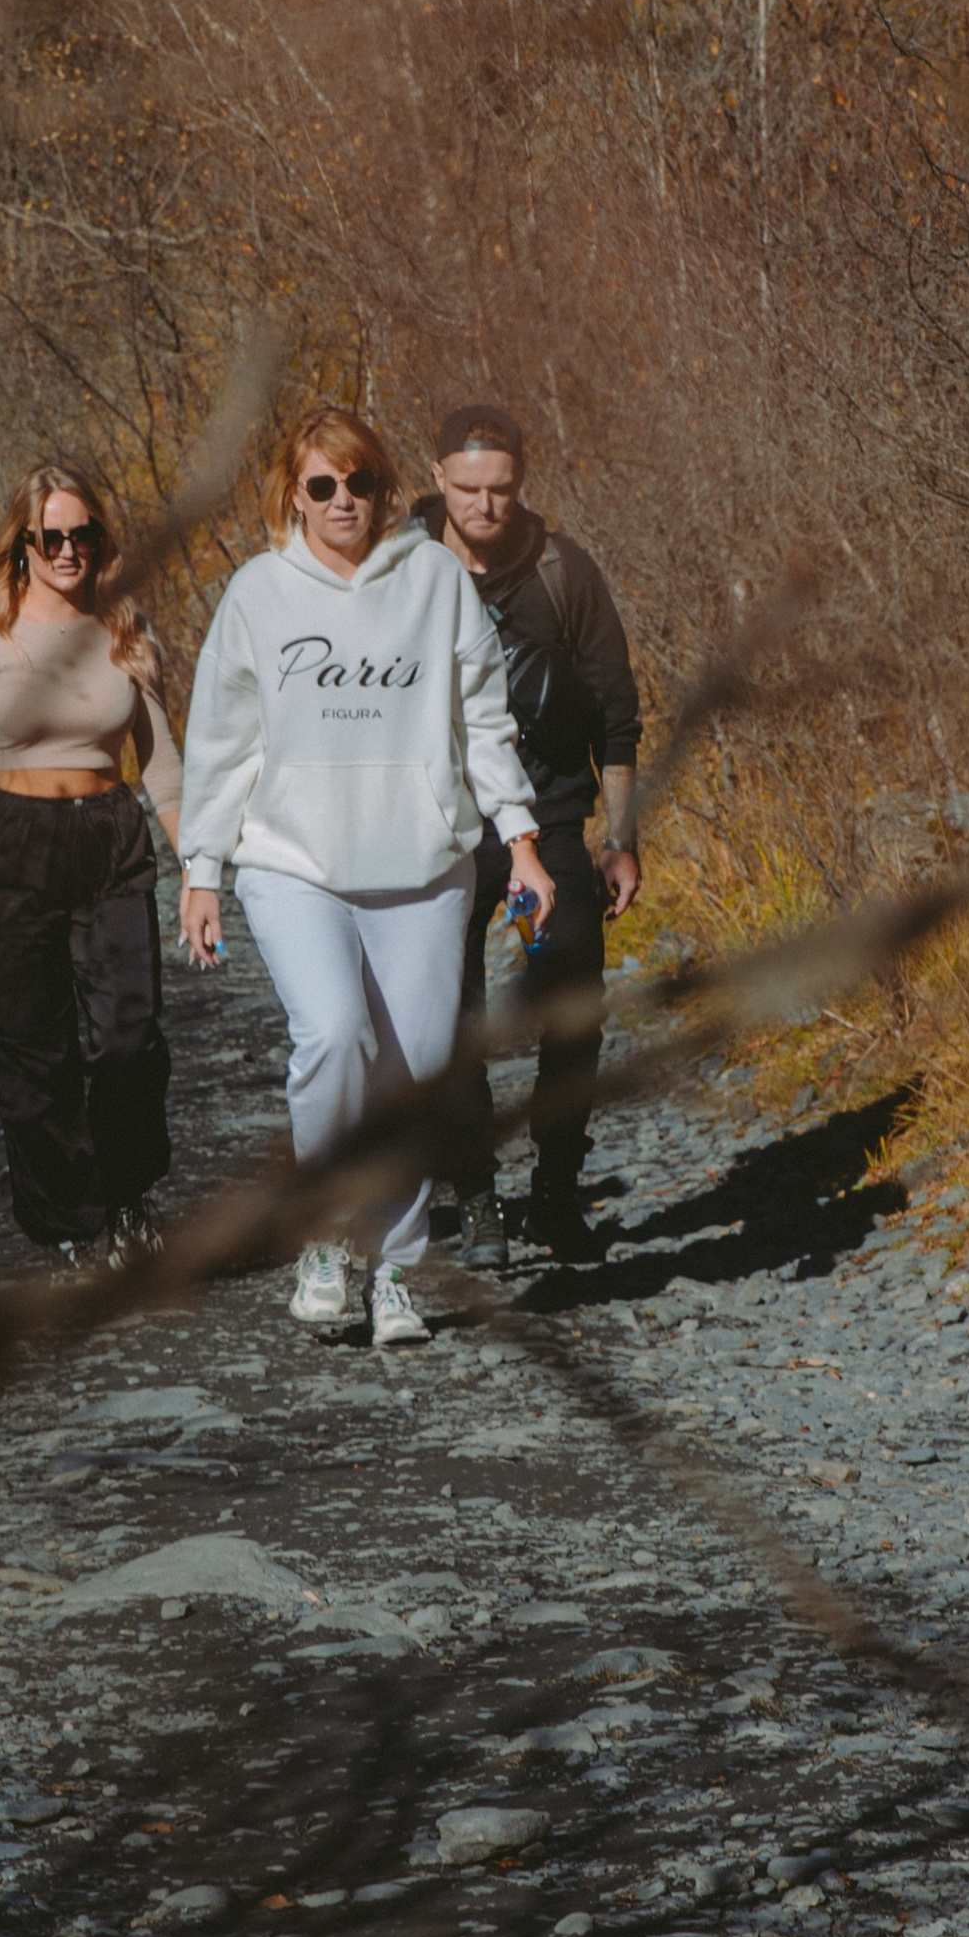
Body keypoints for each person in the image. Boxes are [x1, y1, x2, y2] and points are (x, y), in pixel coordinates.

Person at [178, 400, 554, 1351]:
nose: (343, 500)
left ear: (389, 491)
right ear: (293, 496)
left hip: (424, 866)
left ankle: (392, 1267)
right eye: (322, 485)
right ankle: (320, 1241)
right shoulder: (259, 595)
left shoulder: (433, 579)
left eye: (361, 483)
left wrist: (521, 837)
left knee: (416, 1071)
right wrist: (202, 868)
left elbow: (483, 716)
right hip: (294, 863)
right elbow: (221, 744)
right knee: (334, 1033)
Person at [0, 465, 184, 1271]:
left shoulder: (125, 623)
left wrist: (200, 872)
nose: (69, 550)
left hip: (109, 832)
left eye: (84, 536)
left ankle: (129, 1190)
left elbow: (163, 762)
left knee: (126, 1035)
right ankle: (70, 1224)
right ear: (24, 546)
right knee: (35, 1050)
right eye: (52, 537)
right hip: (15, 841)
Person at [413, 404, 643, 1265]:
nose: (485, 505)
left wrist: (619, 837)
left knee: (571, 1001)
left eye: (502, 488)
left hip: (547, 821)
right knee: (451, 1014)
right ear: (436, 476)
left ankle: (555, 1191)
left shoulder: (562, 572)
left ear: (523, 483)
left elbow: (617, 715)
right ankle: (477, 1198)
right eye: (468, 487)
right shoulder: (398, 567)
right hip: (435, 824)